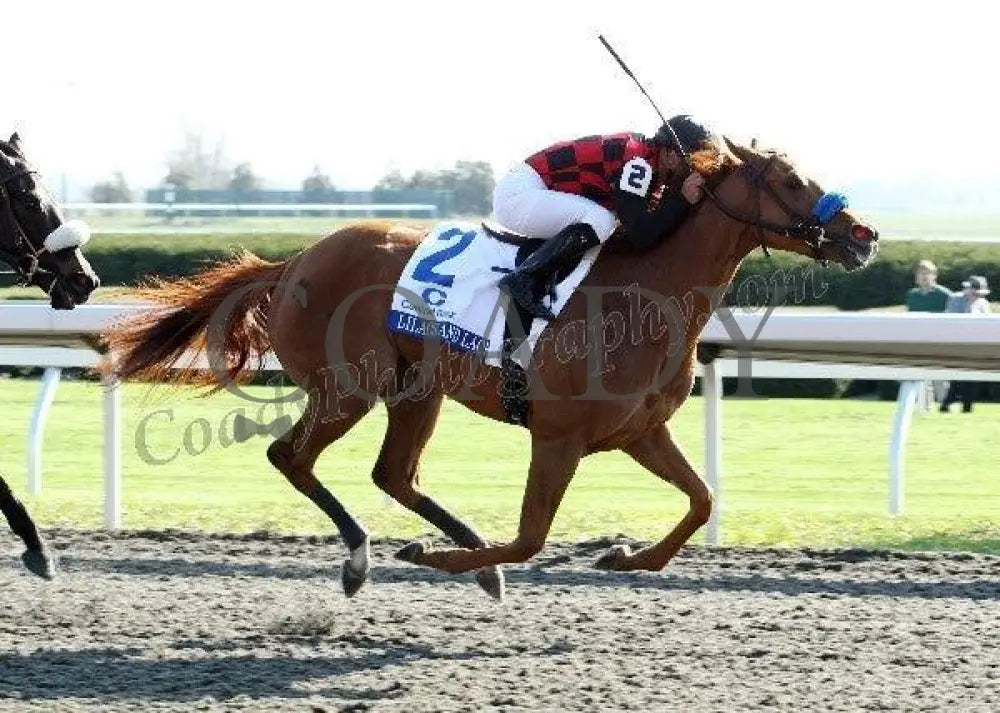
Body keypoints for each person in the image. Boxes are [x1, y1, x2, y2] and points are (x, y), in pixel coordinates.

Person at [492, 114, 722, 319]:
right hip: (520, 194)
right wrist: (681, 200)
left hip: (535, 191)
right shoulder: (638, 165)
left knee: (605, 221)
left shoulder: (648, 163)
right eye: (695, 164)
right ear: (671, 155)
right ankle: (524, 278)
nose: (697, 173)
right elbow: (640, 233)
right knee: (602, 221)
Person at [940, 275, 992, 413]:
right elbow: (953, 322)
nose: (977, 296)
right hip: (957, 344)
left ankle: (967, 406)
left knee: (972, 378)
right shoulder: (955, 300)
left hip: (976, 345)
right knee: (956, 377)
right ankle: (947, 404)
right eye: (974, 293)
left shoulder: (983, 303)